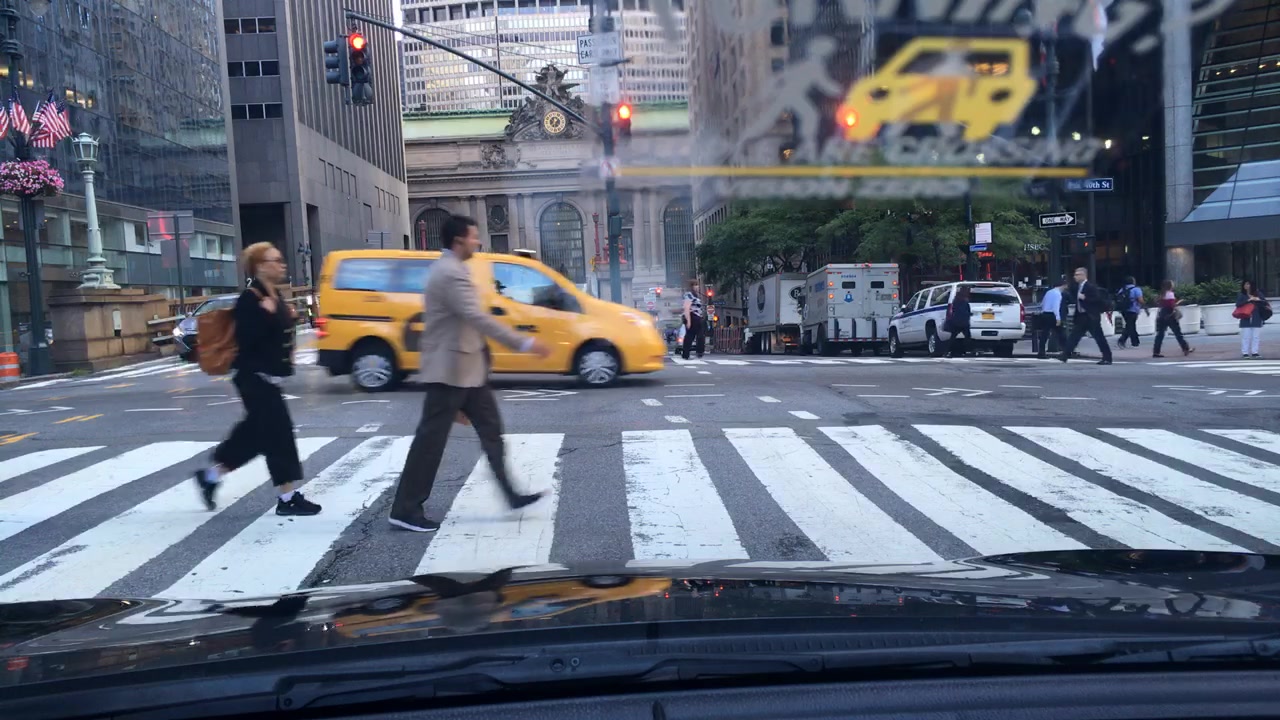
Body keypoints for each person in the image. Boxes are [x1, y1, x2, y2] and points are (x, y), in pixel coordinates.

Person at [389, 215, 552, 533]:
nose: (478, 242)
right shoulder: (450, 273)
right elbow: (478, 318)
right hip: (449, 371)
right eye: (474, 236)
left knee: (491, 431)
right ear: (459, 240)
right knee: (430, 442)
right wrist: (525, 342)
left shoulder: (454, 269)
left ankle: (511, 495)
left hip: (467, 370)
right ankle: (405, 509)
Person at [194, 242, 321, 516]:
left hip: (268, 378)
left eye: (281, 259)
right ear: (260, 266)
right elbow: (247, 341)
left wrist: (283, 315)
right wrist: (266, 315)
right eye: (275, 260)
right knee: (279, 436)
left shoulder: (274, 294)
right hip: (254, 378)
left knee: (254, 436)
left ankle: (210, 477)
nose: (282, 264)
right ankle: (287, 499)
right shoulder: (250, 299)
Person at [1059, 266, 1114, 365]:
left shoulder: (1090, 287)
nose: (1075, 277)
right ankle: (1065, 356)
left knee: (1099, 338)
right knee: (1074, 337)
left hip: (1091, 316)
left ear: (1083, 275)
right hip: (1081, 316)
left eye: (1077, 275)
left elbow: (1097, 299)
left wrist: (1085, 298)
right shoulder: (1077, 287)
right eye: (1075, 275)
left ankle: (1107, 357)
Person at [1152, 279, 1193, 358]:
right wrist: (1179, 302)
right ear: (1170, 286)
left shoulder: (1161, 294)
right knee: (1178, 333)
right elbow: (1172, 305)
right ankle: (1185, 348)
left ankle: (1156, 351)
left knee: (1160, 334)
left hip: (1162, 315)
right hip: (1170, 315)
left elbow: (1159, 304)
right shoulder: (1170, 294)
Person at [1237, 279, 1271, 359]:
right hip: (1245, 317)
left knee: (1256, 336)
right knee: (1246, 336)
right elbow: (1238, 304)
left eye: (1248, 284)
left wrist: (1257, 299)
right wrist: (1248, 300)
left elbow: (1265, 302)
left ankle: (1254, 352)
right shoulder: (1242, 295)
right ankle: (1245, 353)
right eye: (1245, 284)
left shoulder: (1258, 293)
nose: (1246, 286)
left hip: (1256, 317)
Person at [1036, 278, 1067, 360]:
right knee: (1061, 333)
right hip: (1052, 315)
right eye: (1065, 286)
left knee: (1044, 334)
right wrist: (1058, 318)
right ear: (1062, 286)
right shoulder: (1058, 294)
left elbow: (1042, 303)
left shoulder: (1048, 292)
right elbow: (1056, 307)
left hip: (1045, 314)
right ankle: (1066, 351)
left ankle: (1041, 352)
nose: (1065, 288)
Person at [680, 279, 706, 360]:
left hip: (697, 317)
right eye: (695, 285)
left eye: (697, 285)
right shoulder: (689, 295)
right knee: (693, 336)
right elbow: (686, 308)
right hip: (693, 316)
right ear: (691, 286)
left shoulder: (695, 295)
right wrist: (688, 321)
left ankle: (691, 353)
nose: (697, 287)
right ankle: (693, 352)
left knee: (694, 336)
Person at [945, 285, 971, 358]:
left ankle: (949, 351)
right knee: (967, 337)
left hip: (957, 321)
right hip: (961, 322)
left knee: (953, 337)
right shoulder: (963, 299)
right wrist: (968, 314)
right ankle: (964, 351)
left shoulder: (957, 298)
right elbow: (963, 310)